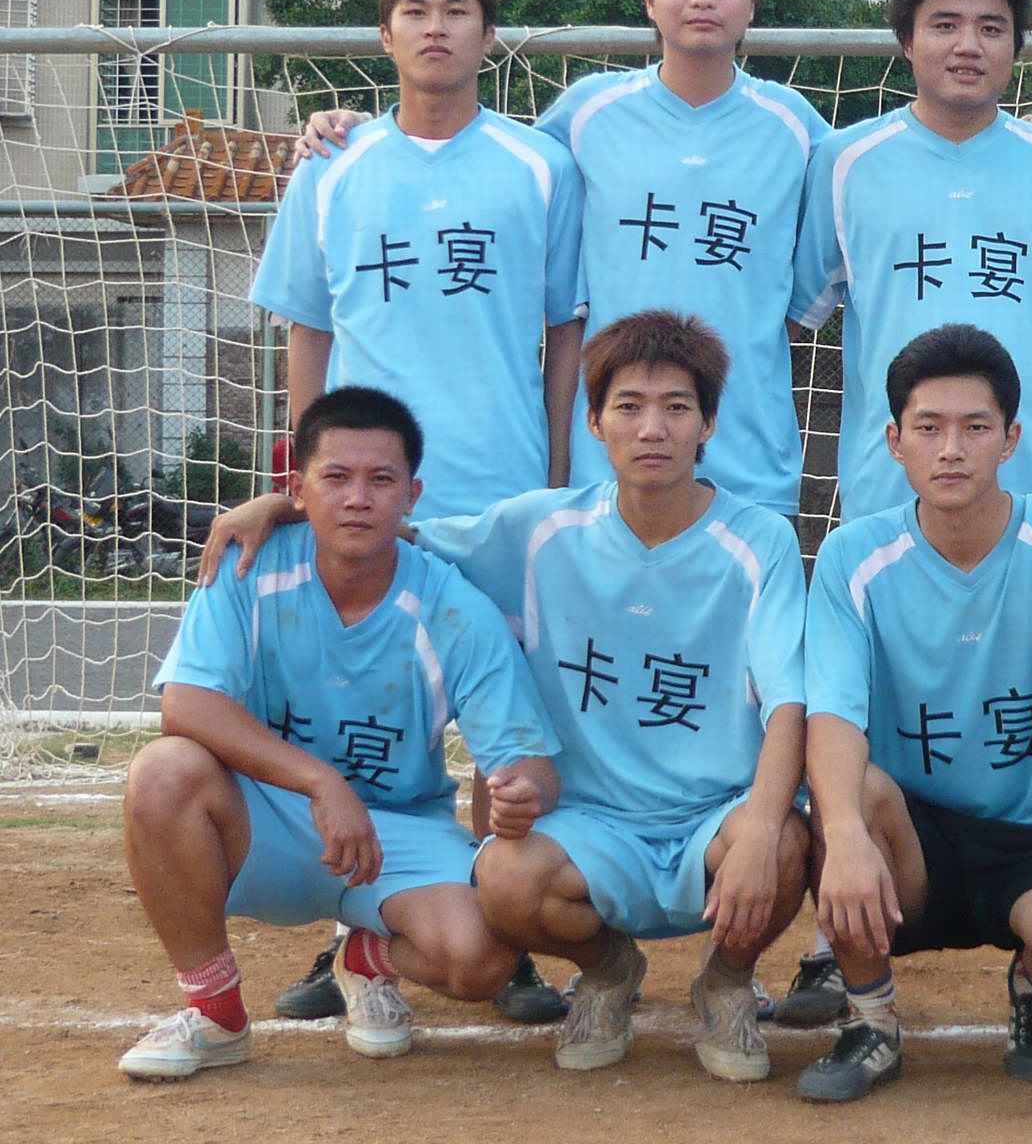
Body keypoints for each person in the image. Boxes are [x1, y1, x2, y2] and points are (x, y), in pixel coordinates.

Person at [201, 311, 811, 1080]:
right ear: (594, 422)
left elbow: (789, 703)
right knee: (504, 879)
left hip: (713, 817)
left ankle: (725, 982)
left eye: (676, 407)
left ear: (708, 424)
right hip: (589, 826)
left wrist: (760, 825)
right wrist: (283, 505)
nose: (652, 428)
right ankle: (608, 971)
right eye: (628, 406)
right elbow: (392, 528)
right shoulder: (538, 529)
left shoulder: (760, 541)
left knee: (784, 842)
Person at [255, 0, 582, 1024]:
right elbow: (308, 328)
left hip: (499, 490)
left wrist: (557, 473)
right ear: (385, 33)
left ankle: (508, 928)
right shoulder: (331, 165)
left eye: (457, 10)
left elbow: (566, 333)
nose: (436, 26)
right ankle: (356, 929)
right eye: (415, 9)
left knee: (504, 726)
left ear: (489, 36)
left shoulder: (539, 166)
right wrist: (301, 475)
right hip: (365, 493)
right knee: (358, 714)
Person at [296, 0, 826, 521]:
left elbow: (810, 286)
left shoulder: (797, 129)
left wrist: (754, 338)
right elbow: (476, 157)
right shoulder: (585, 114)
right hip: (604, 466)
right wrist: (358, 129)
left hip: (750, 463)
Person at [117, 388, 561, 1081]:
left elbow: (525, 760)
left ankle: (366, 956)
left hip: (394, 832)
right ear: (296, 490)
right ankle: (215, 1013)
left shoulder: (454, 608)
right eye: (336, 477)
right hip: (265, 813)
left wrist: (520, 794)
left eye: (381, 480)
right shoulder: (247, 563)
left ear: (412, 495)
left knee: (483, 957)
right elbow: (188, 704)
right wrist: (320, 782)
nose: (358, 498)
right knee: (162, 771)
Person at [795, 325, 1032, 1101]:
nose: (952, 450)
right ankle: (870, 1020)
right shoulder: (853, 558)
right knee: (846, 803)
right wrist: (847, 835)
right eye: (929, 428)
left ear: (1011, 439)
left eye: (975, 428)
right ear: (894, 442)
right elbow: (831, 716)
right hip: (914, 841)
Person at [788, 0, 1032, 526]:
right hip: (887, 501)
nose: (968, 46)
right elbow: (784, 325)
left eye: (991, 28)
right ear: (907, 40)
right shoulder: (845, 162)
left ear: (1016, 47)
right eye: (945, 25)